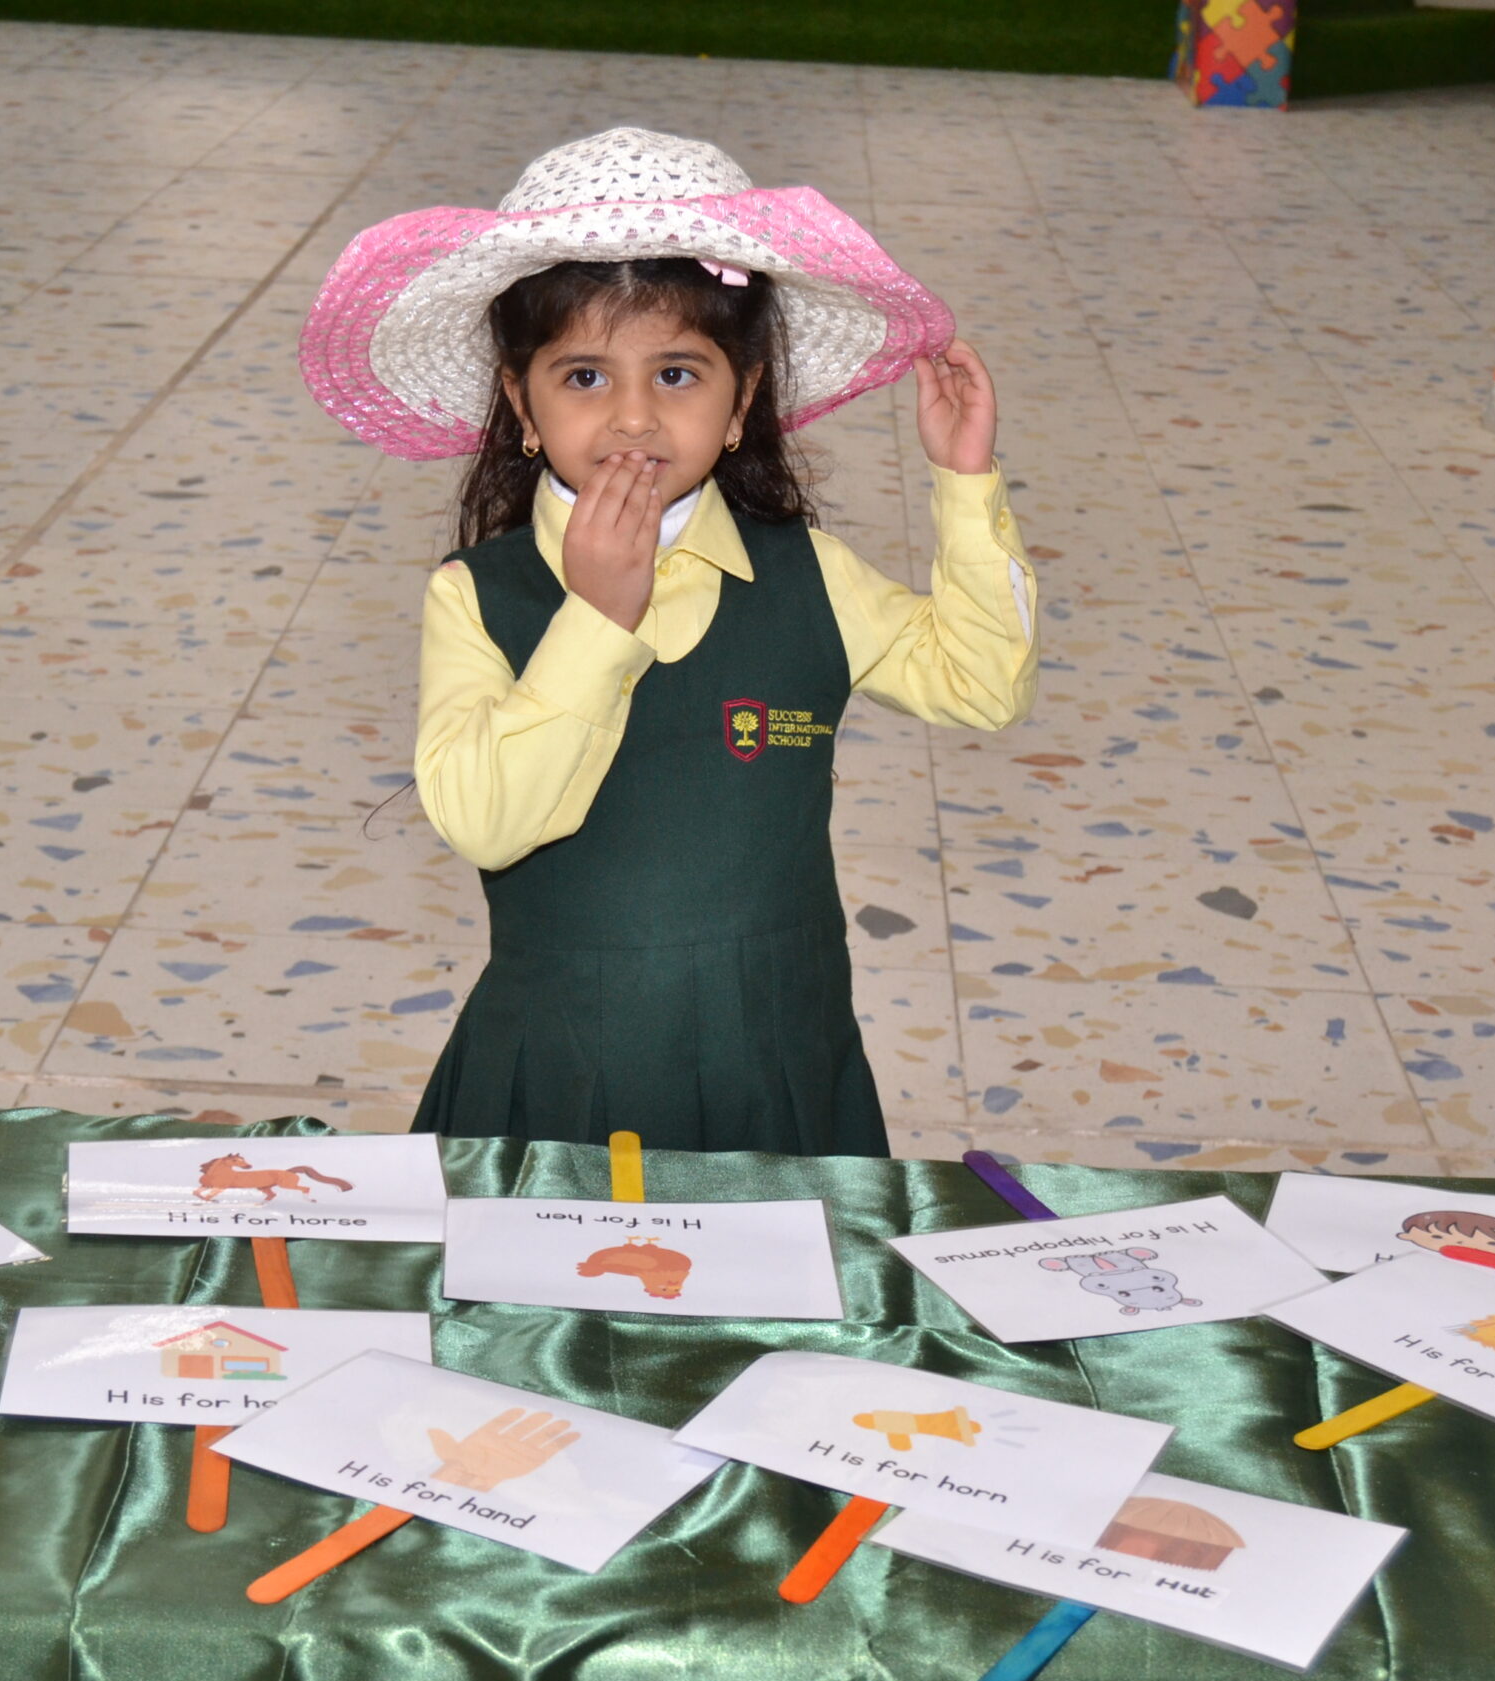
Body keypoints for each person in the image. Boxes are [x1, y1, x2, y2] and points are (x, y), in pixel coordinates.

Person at [299, 129, 1038, 1158]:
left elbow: (983, 683)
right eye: (585, 377)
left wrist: (963, 482)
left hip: (776, 1070)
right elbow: (484, 822)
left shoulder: (807, 575)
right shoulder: (478, 597)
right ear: (520, 403)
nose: (635, 419)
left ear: (743, 400)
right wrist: (596, 620)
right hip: (557, 1077)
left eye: (679, 374)